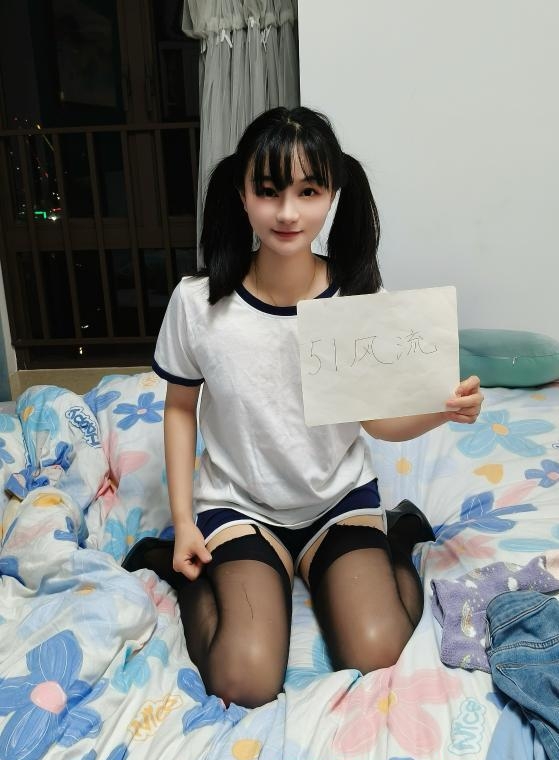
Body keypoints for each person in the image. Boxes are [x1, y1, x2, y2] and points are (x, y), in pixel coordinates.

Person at [123, 106, 483, 708]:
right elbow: (181, 409)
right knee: (244, 681)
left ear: (332, 194)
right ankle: (174, 569)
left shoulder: (355, 298)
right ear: (241, 193)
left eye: (308, 191)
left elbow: (378, 422)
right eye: (269, 191)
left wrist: (441, 410)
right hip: (240, 505)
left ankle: (396, 537)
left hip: (337, 501)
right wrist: (184, 522)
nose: (288, 213)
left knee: (379, 651)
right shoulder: (197, 303)